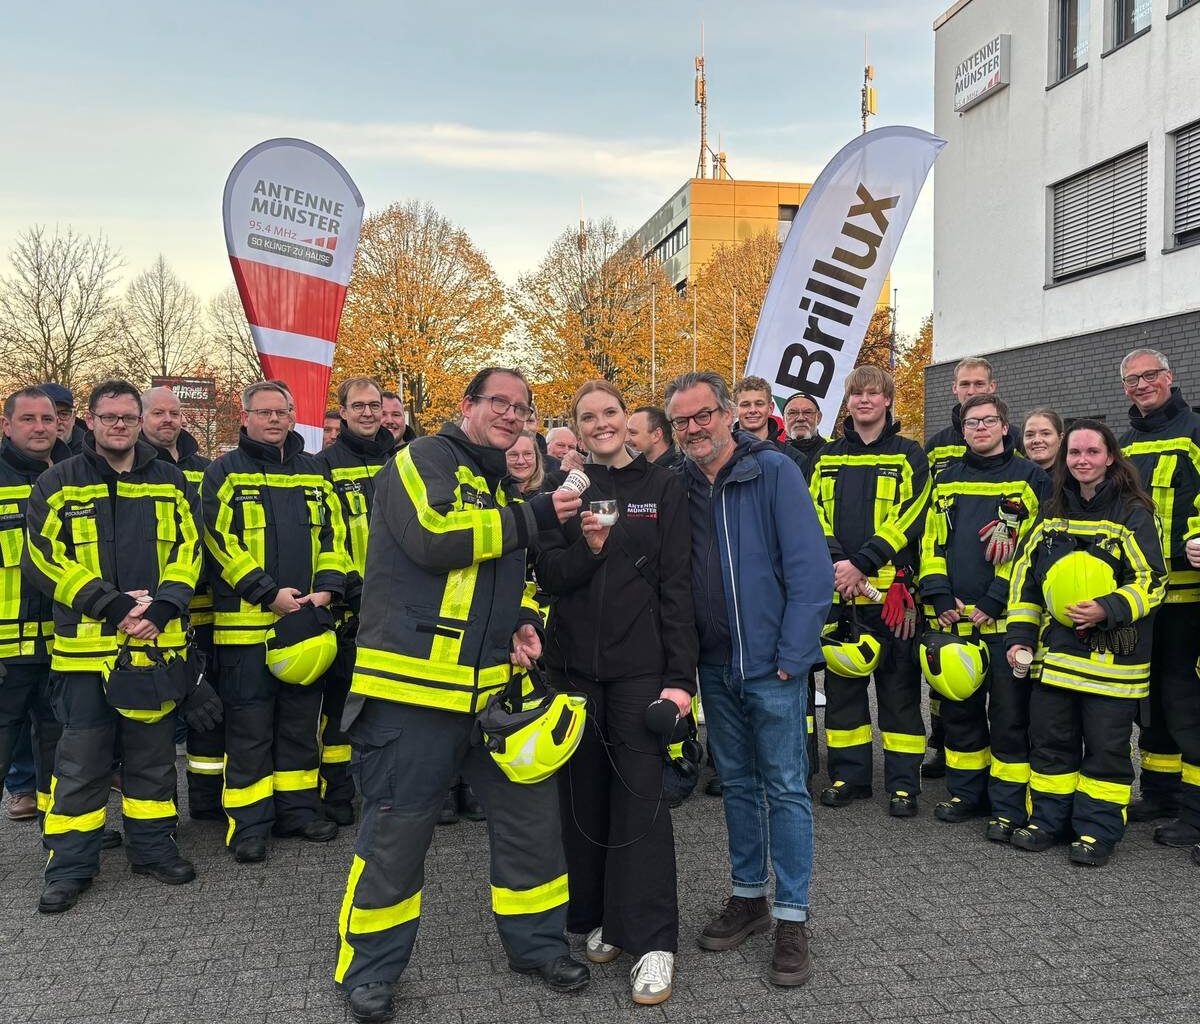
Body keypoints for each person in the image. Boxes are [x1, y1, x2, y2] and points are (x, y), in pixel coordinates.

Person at [333, 368, 589, 1024]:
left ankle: (535, 947)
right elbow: (436, 539)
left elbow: (494, 580)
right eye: (498, 403)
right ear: (465, 405)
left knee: (531, 824)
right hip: (412, 696)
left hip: (491, 696)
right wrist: (532, 514)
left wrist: (521, 621)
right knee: (397, 835)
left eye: (522, 409)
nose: (511, 416)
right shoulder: (421, 459)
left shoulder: (496, 479)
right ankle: (368, 971)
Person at [667, 370, 830, 988]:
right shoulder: (678, 484)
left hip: (772, 665)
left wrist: (793, 653)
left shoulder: (774, 471)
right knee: (736, 783)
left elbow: (811, 570)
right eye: (682, 420)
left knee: (786, 786)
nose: (694, 427)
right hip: (714, 664)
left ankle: (791, 916)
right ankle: (748, 898)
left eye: (703, 414)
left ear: (729, 412)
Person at [536, 380, 696, 1006]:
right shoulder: (569, 494)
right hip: (574, 672)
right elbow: (549, 575)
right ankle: (603, 916)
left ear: (629, 421)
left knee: (643, 804)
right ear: (576, 428)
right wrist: (591, 550)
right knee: (585, 800)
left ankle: (655, 942)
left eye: (610, 413)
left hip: (639, 673)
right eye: (588, 417)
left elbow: (679, 586)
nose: (601, 424)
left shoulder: (665, 486)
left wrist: (680, 681)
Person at [24, 379, 207, 913]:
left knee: (151, 760)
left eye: (128, 417)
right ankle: (71, 865)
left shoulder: (171, 481)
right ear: (90, 420)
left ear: (140, 419)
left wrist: (162, 608)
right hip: (85, 654)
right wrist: (114, 605)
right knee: (81, 762)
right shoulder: (58, 482)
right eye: (110, 418)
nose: (120, 426)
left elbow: (190, 549)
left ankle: (151, 848)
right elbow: (43, 560)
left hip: (153, 645)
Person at [1007, 419, 1165, 866]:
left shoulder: (1133, 511)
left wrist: (1107, 608)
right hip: (1056, 656)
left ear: (1110, 456)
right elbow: (1025, 581)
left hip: (1114, 662)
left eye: (1091, 452)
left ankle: (1097, 830)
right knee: (1051, 742)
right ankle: (1049, 821)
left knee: (1105, 749)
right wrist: (1020, 638)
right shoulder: (1050, 510)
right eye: (1074, 453)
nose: (1082, 461)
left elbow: (1153, 581)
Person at [203, 380, 348, 864]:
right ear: (244, 418)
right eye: (263, 412)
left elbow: (335, 535)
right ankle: (248, 825)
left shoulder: (314, 471)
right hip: (247, 630)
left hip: (306, 625)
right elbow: (219, 544)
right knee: (249, 730)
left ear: (292, 415)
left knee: (299, 725)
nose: (273, 420)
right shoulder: (223, 473)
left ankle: (299, 812)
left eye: (282, 411)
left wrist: (328, 587)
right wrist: (269, 595)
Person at [917, 395, 1049, 839]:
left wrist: (992, 601)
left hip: (1004, 623)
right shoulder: (947, 480)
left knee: (1010, 717)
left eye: (989, 420)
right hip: (953, 620)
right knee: (960, 715)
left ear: (1005, 427)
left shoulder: (1030, 479)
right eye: (971, 422)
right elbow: (931, 543)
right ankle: (966, 794)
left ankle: (1008, 806)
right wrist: (939, 596)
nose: (980, 428)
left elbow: (1030, 551)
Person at [809, 366, 930, 816]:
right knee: (842, 693)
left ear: (887, 401)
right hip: (841, 594)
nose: (863, 401)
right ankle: (849, 776)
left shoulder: (908, 454)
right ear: (848, 401)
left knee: (899, 693)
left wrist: (862, 563)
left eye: (873, 394)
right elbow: (812, 511)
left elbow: (912, 516)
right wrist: (842, 564)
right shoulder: (827, 457)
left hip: (890, 598)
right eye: (856, 393)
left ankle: (903, 785)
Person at [1117, 349, 1200, 851]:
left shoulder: (1194, 432)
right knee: (1150, 703)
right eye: (1132, 379)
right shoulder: (1124, 444)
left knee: (1185, 704)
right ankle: (1162, 792)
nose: (1141, 384)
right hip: (1145, 599)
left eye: (1150, 376)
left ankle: (1195, 810)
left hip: (1188, 599)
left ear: (1169, 378)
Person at [314, 377, 398, 828]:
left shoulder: (402, 459)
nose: (367, 413)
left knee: (392, 706)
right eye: (357, 406)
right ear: (342, 412)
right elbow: (327, 536)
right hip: (353, 605)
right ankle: (337, 793)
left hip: (399, 603)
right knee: (341, 707)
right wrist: (354, 588)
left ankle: (387, 789)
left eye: (374, 405)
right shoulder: (323, 464)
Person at [140, 386, 220, 821]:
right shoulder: (131, 472)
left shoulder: (206, 470)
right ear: (141, 418)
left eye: (174, 412)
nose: (167, 420)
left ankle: (206, 803)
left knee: (208, 712)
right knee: (154, 724)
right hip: (152, 616)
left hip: (205, 610)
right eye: (158, 413)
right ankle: (157, 816)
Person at [922, 357, 999, 780]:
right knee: (945, 675)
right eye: (965, 384)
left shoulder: (1012, 443)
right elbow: (931, 519)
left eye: (979, 383)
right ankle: (942, 745)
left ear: (993, 386)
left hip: (992, 587)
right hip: (947, 584)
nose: (971, 390)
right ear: (954, 390)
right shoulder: (936, 446)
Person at [0, 388, 69, 826]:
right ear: (6, 425)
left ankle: (62, 827)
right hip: (6, 650)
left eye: (47, 419)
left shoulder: (74, 476)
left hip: (61, 640)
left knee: (61, 745)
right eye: (28, 419)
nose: (41, 427)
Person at [732, 376, 806, 472]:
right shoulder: (720, 455)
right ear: (735, 410)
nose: (752, 410)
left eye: (759, 404)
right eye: (745, 404)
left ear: (771, 408)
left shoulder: (795, 459)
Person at [782, 392, 827, 479]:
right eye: (792, 413)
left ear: (819, 417)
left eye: (807, 412)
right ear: (784, 419)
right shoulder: (774, 451)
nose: (800, 418)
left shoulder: (834, 451)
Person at [627, 406, 683, 470]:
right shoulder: (636, 469)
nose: (625, 438)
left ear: (656, 435)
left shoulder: (678, 475)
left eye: (632, 433)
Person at [38, 382, 86, 454]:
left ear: (73, 418)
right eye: (47, 417)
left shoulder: (92, 455)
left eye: (63, 414)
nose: (57, 421)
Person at [1022, 409, 1064, 474]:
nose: (1037, 440)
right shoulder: (1012, 476)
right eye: (1030, 435)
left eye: (1045, 434)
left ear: (1060, 439)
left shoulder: (1074, 477)